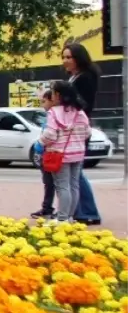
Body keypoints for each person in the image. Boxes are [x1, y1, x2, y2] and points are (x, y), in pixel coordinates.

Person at [62, 42, 102, 225]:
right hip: (70, 129)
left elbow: (84, 104)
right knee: (72, 173)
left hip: (77, 130)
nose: (65, 61)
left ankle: (87, 211)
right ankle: (76, 210)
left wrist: (66, 94)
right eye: (63, 57)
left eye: (69, 57)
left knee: (75, 173)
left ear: (79, 58)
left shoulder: (85, 77)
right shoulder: (74, 77)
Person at [39, 80, 90, 223]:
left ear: (58, 95)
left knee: (62, 186)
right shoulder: (79, 112)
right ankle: (69, 217)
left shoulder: (54, 112)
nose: (52, 95)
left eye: (53, 92)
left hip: (59, 154)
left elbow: (50, 134)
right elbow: (87, 132)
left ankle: (61, 218)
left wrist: (40, 142)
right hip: (78, 153)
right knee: (74, 185)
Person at [31, 88, 58, 219]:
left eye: (44, 101)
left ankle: (49, 209)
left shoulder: (53, 115)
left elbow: (49, 134)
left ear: (52, 100)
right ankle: (48, 208)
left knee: (53, 183)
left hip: (51, 153)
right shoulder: (50, 115)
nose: (43, 105)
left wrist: (39, 146)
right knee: (50, 183)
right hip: (49, 153)